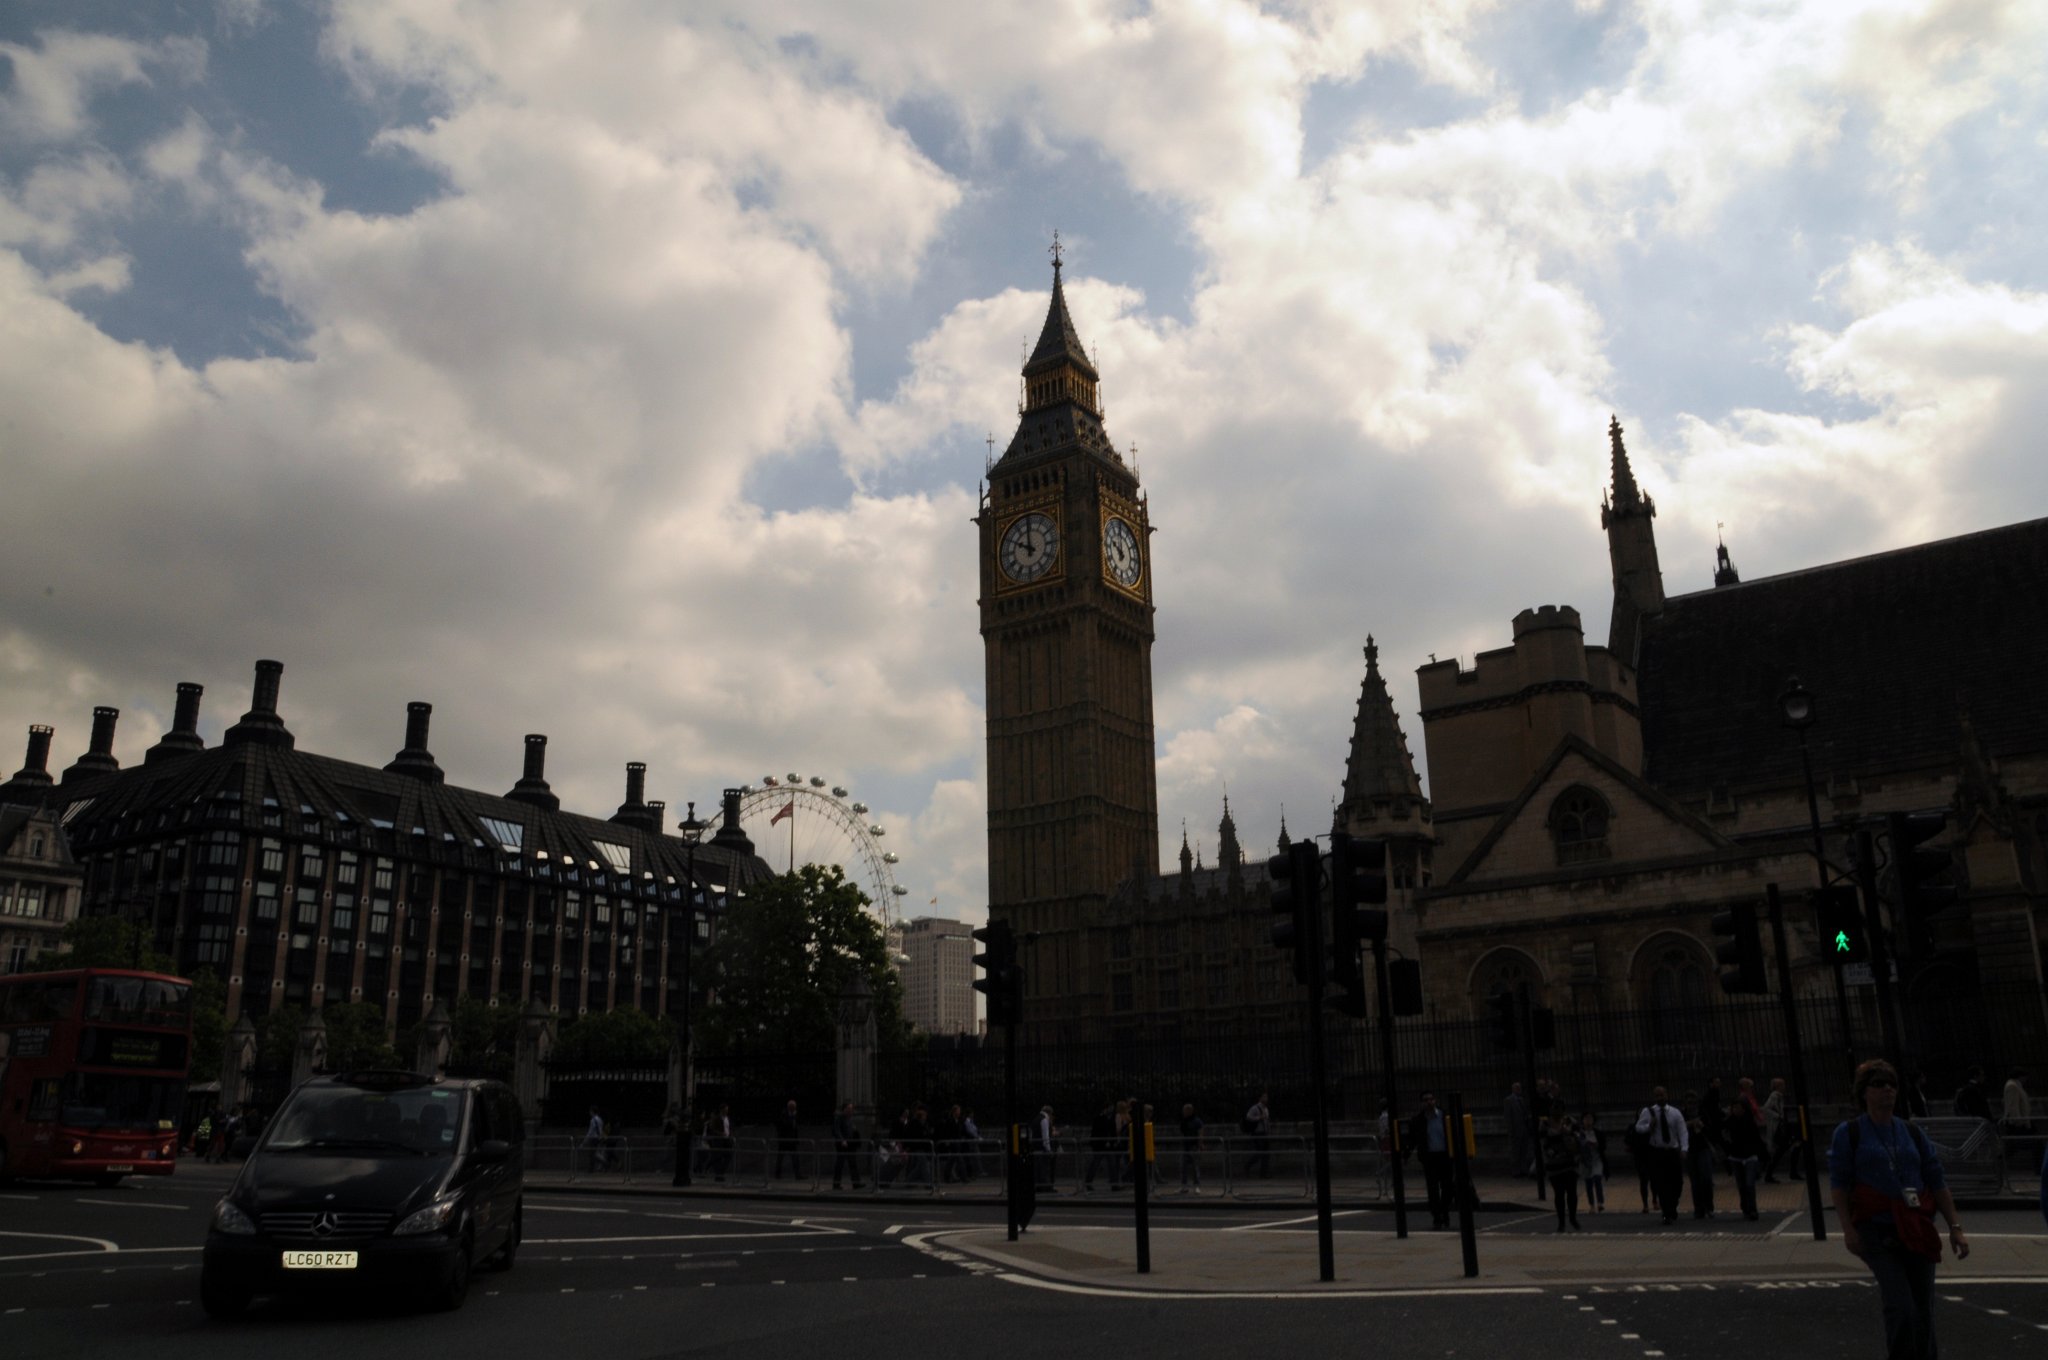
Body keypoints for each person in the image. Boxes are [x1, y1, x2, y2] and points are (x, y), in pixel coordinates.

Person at [1830, 1058, 1969, 1359]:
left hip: (1916, 1227)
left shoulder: (1912, 1132)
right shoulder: (1849, 1133)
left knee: (1923, 1311)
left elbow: (1936, 1179)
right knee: (1901, 1308)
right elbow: (1839, 1185)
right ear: (1864, 1092)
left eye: (1891, 1084)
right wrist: (1847, 1229)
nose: (1887, 1090)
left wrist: (1955, 1227)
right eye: (1879, 1084)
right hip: (1876, 1229)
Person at [1633, 1087, 1688, 1223]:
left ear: (1666, 1095)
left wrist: (1684, 1148)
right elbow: (1638, 1128)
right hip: (1657, 1152)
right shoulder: (1649, 1112)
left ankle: (1673, 1205)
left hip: (1672, 1151)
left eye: (1662, 1095)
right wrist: (1649, 1127)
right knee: (1661, 1184)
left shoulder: (1675, 1113)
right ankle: (1666, 1213)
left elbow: (1682, 1131)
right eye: (1657, 1096)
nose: (1660, 1098)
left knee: (1677, 1183)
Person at [1409, 1092, 1453, 1229]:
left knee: (1447, 1188)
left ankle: (1444, 1210)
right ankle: (1437, 1216)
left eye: (1431, 1099)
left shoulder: (1444, 1116)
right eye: (1425, 1100)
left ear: (1435, 1100)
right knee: (1433, 1190)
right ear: (1422, 1103)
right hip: (1430, 1158)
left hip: (1445, 1156)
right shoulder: (1418, 1119)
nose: (1429, 1102)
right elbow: (1414, 1139)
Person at [1724, 1093, 1764, 1221]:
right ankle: (1745, 1207)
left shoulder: (1749, 1121)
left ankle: (1752, 1209)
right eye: (1734, 1108)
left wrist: (1759, 1155)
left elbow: (1757, 1139)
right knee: (1741, 1185)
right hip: (1736, 1156)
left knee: (1749, 1184)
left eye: (1739, 1108)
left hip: (1749, 1156)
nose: (1737, 1110)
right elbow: (1725, 1137)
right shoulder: (1729, 1122)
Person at [1540, 1112, 1581, 1231]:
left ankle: (1573, 1218)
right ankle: (1561, 1222)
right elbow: (1543, 1141)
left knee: (1572, 1192)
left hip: (1570, 1162)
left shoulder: (1570, 1121)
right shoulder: (1545, 1122)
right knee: (1559, 1193)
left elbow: (1578, 1136)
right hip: (1554, 1163)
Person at [1686, 1085, 1719, 1219]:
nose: (1691, 1105)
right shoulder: (1682, 1114)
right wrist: (1690, 1124)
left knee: (1706, 1178)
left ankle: (1708, 1206)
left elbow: (1711, 1130)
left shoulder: (1703, 1113)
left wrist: (1701, 1126)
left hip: (1703, 1147)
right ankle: (1698, 1208)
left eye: (1693, 1102)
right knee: (1695, 1181)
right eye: (1689, 1102)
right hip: (1690, 1149)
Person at [831, 1100, 865, 1190]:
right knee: (840, 1164)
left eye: (851, 1109)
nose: (851, 1110)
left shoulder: (849, 1118)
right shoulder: (839, 1118)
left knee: (853, 1163)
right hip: (842, 1145)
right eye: (849, 1108)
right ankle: (836, 1184)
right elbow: (836, 1130)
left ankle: (856, 1183)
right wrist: (842, 1140)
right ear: (844, 1109)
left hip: (850, 1144)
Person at [1578, 1112, 1607, 1212]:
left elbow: (1603, 1145)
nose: (1588, 1121)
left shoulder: (1597, 1133)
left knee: (1597, 1178)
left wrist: (1597, 1145)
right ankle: (1591, 1205)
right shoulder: (1580, 1133)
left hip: (1596, 1159)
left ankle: (1600, 1202)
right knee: (1589, 1182)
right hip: (1586, 1161)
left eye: (1590, 1118)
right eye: (1586, 1118)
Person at [1242, 1091, 1273, 1179]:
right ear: (1260, 1098)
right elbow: (1248, 1117)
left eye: (1266, 1097)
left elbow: (1267, 1121)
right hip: (1257, 1133)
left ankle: (1263, 1173)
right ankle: (1247, 1166)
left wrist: (1269, 1131)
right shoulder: (1255, 1108)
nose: (1266, 1099)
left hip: (1265, 1133)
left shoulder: (1266, 1109)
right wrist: (1259, 1118)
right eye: (1264, 1097)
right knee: (1260, 1152)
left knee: (1266, 1153)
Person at [1505, 1083, 1532, 1178]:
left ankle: (1523, 1169)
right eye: (1517, 1088)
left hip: (1523, 1129)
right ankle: (1516, 1171)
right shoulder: (1509, 1100)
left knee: (1523, 1151)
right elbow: (1509, 1117)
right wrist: (1511, 1131)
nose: (1519, 1089)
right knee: (1515, 1152)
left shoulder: (1521, 1099)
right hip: (1516, 1130)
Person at [1178, 1102, 1205, 1194]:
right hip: (1185, 1147)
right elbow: (1181, 1133)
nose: (1183, 1112)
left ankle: (1196, 1186)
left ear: (1190, 1111)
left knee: (1195, 1168)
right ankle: (1184, 1186)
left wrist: (1200, 1144)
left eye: (1185, 1111)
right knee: (1183, 1167)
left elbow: (1200, 1133)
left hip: (1193, 1146)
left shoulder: (1197, 1121)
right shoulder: (1183, 1121)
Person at [773, 1099, 803, 1180]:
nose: (794, 1109)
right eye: (793, 1108)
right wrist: (792, 1117)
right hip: (784, 1139)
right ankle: (777, 1174)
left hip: (792, 1140)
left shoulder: (794, 1115)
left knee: (795, 1158)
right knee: (780, 1158)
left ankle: (798, 1174)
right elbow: (784, 1125)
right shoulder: (784, 1114)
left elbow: (795, 1127)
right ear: (790, 1107)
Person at [583, 1105, 609, 1172]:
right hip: (599, 1138)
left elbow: (591, 1131)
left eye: (590, 1111)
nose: (589, 1113)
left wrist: (585, 1140)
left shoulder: (593, 1120)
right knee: (593, 1154)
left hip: (594, 1138)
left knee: (592, 1154)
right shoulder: (600, 1119)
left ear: (592, 1111)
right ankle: (592, 1169)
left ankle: (604, 1163)